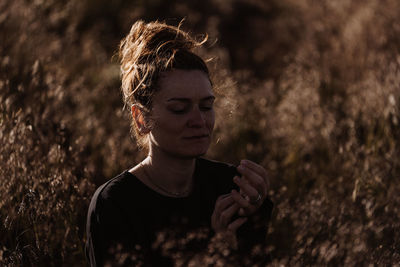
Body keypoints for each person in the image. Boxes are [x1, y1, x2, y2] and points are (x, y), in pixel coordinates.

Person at [85, 20, 273, 266]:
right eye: (179, 109)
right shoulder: (115, 205)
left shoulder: (231, 189)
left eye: (206, 106)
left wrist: (257, 215)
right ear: (141, 118)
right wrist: (216, 251)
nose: (199, 120)